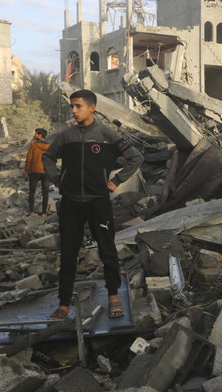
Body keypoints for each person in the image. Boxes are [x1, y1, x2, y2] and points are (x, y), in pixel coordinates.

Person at [43, 90, 143, 321]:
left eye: (78, 106)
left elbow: (136, 157)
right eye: (72, 106)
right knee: (68, 253)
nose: (74, 110)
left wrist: (115, 181)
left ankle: (113, 298)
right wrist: (57, 179)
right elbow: (47, 157)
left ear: (92, 107)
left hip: (99, 203)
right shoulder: (66, 136)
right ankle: (64, 305)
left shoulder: (108, 135)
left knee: (107, 251)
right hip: (70, 204)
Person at [25, 128, 50, 217]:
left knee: (32, 192)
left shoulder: (33, 145)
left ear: (39, 135)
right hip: (46, 172)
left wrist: (26, 171)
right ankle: (44, 213)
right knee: (45, 192)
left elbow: (29, 159)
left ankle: (31, 212)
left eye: (35, 134)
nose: (34, 136)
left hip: (35, 171)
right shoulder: (49, 146)